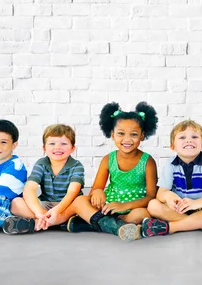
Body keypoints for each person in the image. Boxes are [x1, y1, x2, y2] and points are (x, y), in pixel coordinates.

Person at [67, 102, 158, 242]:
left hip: (133, 208)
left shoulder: (148, 161)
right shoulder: (108, 159)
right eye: (121, 133)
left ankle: (97, 223)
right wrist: (97, 192)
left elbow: (151, 196)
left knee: (142, 214)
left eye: (133, 134)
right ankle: (115, 227)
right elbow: (96, 189)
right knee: (80, 200)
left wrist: (125, 206)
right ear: (113, 135)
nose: (127, 139)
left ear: (142, 136)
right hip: (108, 206)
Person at [142, 120, 202, 237]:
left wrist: (196, 204)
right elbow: (161, 193)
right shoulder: (170, 164)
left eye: (194, 136)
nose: (189, 140)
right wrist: (168, 196)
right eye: (182, 137)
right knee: (153, 205)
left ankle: (172, 227)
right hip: (179, 209)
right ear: (172, 146)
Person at [3, 124, 85, 234]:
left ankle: (39, 223)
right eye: (52, 143)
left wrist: (57, 210)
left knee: (83, 202)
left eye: (64, 143)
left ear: (72, 148)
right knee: (15, 203)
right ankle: (49, 221)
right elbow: (29, 189)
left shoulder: (76, 165)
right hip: (46, 205)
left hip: (68, 205)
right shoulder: (41, 164)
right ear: (44, 148)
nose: (57, 147)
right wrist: (39, 212)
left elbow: (72, 192)